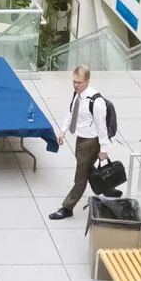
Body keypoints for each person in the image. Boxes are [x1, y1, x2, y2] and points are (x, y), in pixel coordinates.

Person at [48, 66, 111, 220]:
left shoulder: (96, 102)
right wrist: (63, 131)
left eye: (79, 82)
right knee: (88, 170)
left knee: (80, 177)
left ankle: (67, 207)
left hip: (90, 142)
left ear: (88, 81)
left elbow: (102, 127)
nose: (75, 85)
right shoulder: (78, 95)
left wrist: (103, 149)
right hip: (81, 139)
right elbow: (71, 113)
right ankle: (109, 187)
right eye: (74, 81)